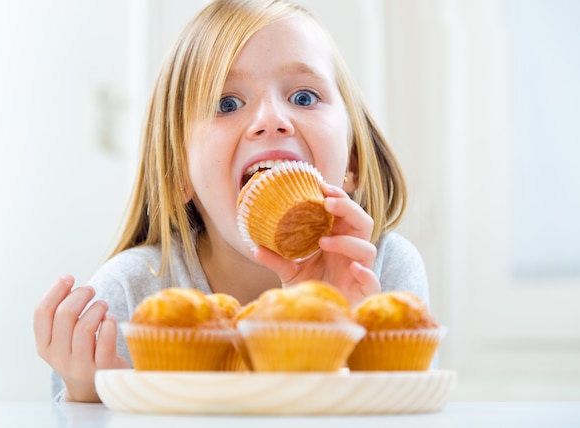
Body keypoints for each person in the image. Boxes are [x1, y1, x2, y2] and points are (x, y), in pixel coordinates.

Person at [33, 0, 429, 403]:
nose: (271, 119)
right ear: (178, 175)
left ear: (353, 160)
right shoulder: (129, 295)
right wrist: (90, 397)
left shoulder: (384, 276)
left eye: (305, 97)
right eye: (227, 103)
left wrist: (341, 326)